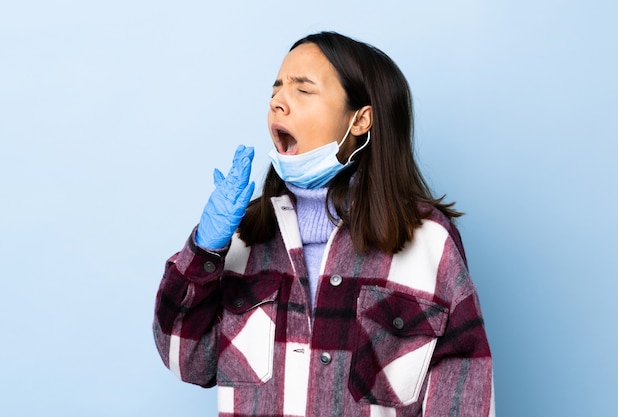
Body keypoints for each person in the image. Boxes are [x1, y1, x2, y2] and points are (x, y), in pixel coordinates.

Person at [153, 31, 495, 417]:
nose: (277, 103)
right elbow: (186, 357)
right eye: (276, 90)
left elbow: (465, 397)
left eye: (302, 90)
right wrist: (204, 251)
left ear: (360, 120)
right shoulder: (242, 236)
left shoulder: (429, 242)